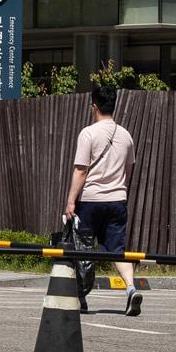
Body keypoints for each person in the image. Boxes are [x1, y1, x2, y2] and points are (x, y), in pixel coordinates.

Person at [64, 85, 139, 316]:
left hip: (91, 200)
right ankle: (131, 289)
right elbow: (129, 169)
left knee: (83, 249)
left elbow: (81, 171)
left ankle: (81, 299)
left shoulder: (88, 133)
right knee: (117, 249)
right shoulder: (125, 135)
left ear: (94, 106)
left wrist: (71, 201)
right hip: (117, 200)